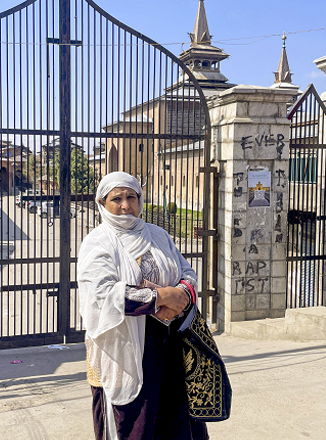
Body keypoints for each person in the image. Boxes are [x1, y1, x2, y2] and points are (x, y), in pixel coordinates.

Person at [77, 171, 208, 440]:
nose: (126, 205)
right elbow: (103, 293)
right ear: (102, 203)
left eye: (131, 197)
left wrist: (180, 294)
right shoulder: (97, 242)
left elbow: (187, 272)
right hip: (124, 347)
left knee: (172, 416)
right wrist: (161, 297)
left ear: (140, 199)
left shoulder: (158, 235)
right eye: (117, 199)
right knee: (136, 422)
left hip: (168, 343)